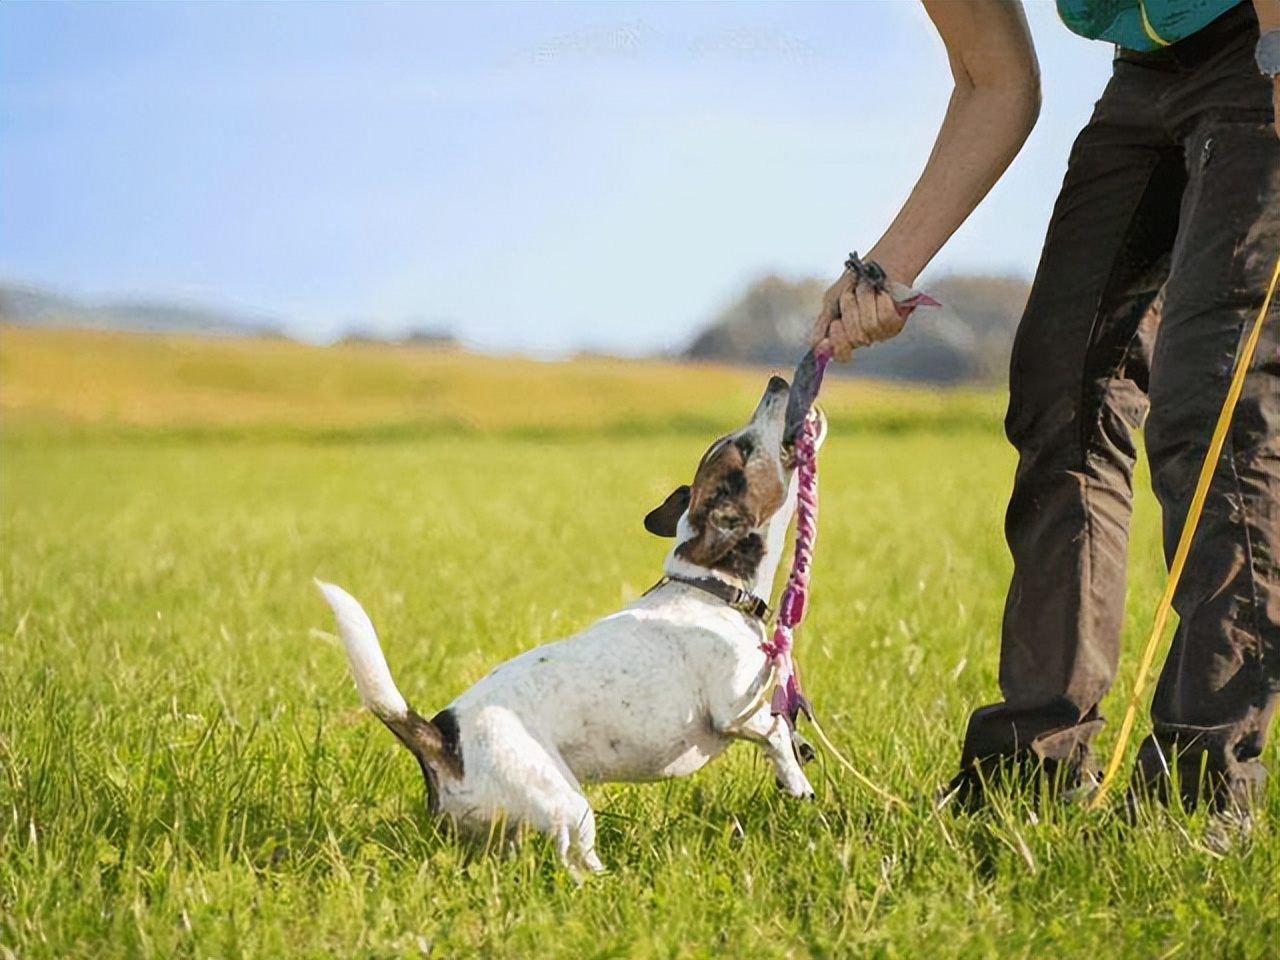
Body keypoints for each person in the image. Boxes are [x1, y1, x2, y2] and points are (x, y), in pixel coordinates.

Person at [811, 0, 1280, 813]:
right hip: (1147, 74)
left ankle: (1202, 789)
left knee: (1215, 405)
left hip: (1257, 36)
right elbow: (992, 81)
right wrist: (883, 268)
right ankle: (1031, 770)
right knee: (1060, 390)